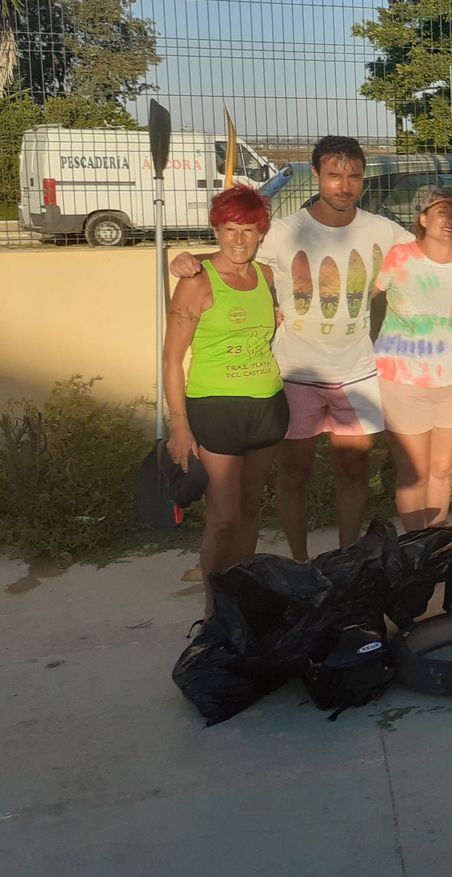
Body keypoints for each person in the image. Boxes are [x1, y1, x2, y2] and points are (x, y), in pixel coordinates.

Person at [171, 136, 452, 560]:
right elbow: (235, 256)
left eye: (353, 176)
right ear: (317, 176)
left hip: (357, 372)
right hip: (296, 372)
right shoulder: (284, 231)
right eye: (334, 175)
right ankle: (300, 562)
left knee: (354, 471)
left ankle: (348, 561)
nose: (344, 185)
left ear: (362, 179)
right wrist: (190, 260)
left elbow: (435, 251)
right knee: (294, 474)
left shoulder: (383, 231)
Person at [161, 186, 288, 617]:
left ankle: (242, 593)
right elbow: (172, 359)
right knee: (224, 516)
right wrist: (179, 425)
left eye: (249, 230)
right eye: (230, 229)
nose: (239, 239)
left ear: (261, 233)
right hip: (216, 408)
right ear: (216, 230)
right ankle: (216, 612)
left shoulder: (266, 277)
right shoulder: (196, 280)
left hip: (268, 405)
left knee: (252, 506)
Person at [372, 186, 452, 530]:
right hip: (402, 383)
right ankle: (416, 549)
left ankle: (435, 544)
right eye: (442, 211)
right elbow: (353, 297)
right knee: (414, 474)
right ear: (423, 219)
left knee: (441, 470)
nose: (451, 219)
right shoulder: (399, 258)